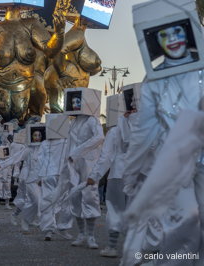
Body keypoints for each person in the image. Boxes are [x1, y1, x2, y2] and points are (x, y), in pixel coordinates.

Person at [120, 9, 204, 264]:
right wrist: (132, 172)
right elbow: (143, 133)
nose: (173, 39)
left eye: (178, 31)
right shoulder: (153, 80)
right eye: (165, 35)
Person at [87, 113, 134, 257]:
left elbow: (106, 157)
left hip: (118, 175)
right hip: (139, 176)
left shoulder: (114, 131)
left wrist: (94, 176)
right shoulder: (147, 128)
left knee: (115, 211)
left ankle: (112, 247)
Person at [67, 112, 104, 249]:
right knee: (75, 197)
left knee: (89, 196)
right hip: (73, 163)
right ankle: (81, 233)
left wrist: (78, 151)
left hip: (89, 162)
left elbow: (99, 137)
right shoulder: (74, 122)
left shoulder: (92, 120)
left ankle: (91, 235)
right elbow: (69, 142)